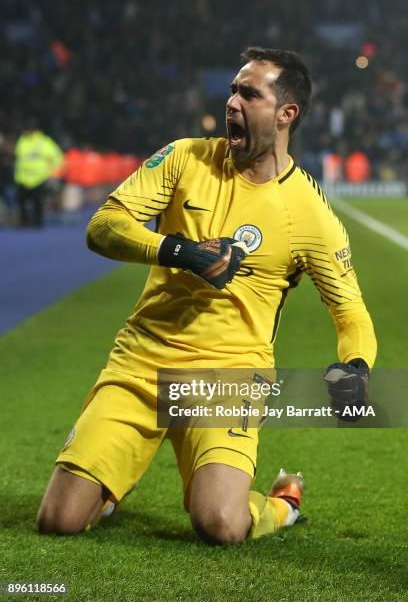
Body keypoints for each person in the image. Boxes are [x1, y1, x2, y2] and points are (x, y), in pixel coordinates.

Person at [37, 47, 376, 544]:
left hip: (229, 373)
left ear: (286, 114)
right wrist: (180, 251)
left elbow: (351, 313)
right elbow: (103, 226)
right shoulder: (184, 157)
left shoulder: (309, 215)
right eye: (232, 91)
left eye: (250, 94)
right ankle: (104, 486)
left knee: (220, 524)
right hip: (142, 359)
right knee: (58, 522)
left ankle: (280, 505)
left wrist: (358, 366)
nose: (232, 103)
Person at [14, 120, 64, 228]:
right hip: (23, 178)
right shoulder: (22, 140)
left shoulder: (44, 142)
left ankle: (38, 223)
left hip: (39, 178)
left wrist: (52, 173)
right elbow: (19, 158)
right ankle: (25, 221)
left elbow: (58, 157)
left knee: (38, 202)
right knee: (21, 201)